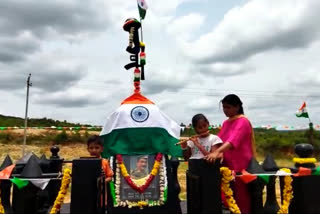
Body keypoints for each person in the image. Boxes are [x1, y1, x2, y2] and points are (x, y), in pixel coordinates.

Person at [204, 94, 257, 214]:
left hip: (241, 165)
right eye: (223, 107)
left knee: (241, 195)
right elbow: (219, 140)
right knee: (229, 195)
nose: (225, 110)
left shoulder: (243, 121)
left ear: (237, 107)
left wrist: (217, 152)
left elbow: (233, 141)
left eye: (227, 107)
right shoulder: (226, 123)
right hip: (227, 165)